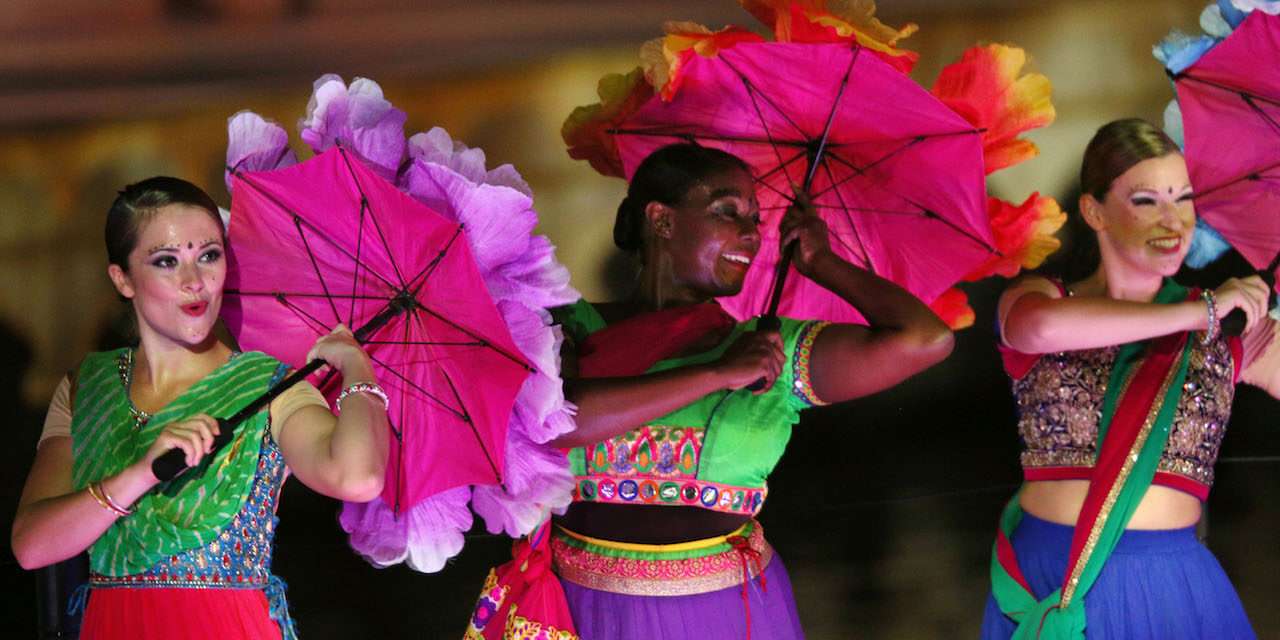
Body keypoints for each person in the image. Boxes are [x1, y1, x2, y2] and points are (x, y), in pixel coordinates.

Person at [547, 143, 954, 638]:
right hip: (588, 611)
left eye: (756, 220)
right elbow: (560, 422)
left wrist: (822, 262)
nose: (751, 234)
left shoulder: (771, 352)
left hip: (725, 615)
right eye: (727, 212)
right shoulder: (566, 326)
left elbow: (925, 339)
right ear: (661, 220)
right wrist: (718, 374)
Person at [11, 177, 390, 640]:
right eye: (167, 261)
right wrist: (142, 473)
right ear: (123, 279)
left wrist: (356, 368)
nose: (195, 283)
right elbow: (31, 546)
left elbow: (358, 477)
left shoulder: (265, 386)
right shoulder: (87, 386)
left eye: (208, 256)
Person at [981, 118, 1280, 638]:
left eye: (1184, 199)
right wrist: (1202, 315)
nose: (1174, 220)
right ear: (1094, 211)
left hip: (1171, 587)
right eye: (1147, 201)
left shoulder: (1230, 324)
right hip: (1050, 580)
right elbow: (1036, 330)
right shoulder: (1044, 298)